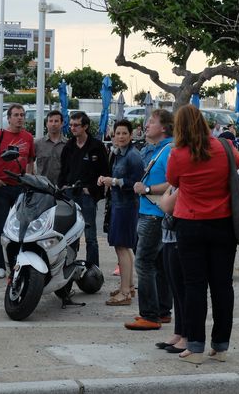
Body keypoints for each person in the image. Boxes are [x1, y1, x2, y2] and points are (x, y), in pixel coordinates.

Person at [166, 104, 239, 364]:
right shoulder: (224, 147)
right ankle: (220, 347)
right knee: (223, 286)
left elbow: (173, 180)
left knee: (194, 286)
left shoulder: (178, 154)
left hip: (190, 225)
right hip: (223, 224)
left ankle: (195, 348)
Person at [124, 109, 173, 331]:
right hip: (151, 212)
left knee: (144, 262)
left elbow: (174, 182)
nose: (146, 125)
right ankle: (162, 311)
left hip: (155, 214)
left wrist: (147, 188)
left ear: (163, 127)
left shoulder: (169, 150)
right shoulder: (158, 149)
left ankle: (150, 315)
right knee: (159, 264)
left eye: (151, 122)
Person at [0, 103, 35, 278]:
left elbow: (30, 161)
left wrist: (29, 180)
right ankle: (0, 265)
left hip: (21, 188)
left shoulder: (28, 137)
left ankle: (18, 263)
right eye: (16, 115)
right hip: (2, 189)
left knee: (22, 227)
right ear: (9, 118)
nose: (20, 118)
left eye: (22, 115)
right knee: (1, 227)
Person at [98, 120, 143, 306]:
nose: (121, 136)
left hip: (127, 206)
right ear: (113, 136)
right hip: (118, 205)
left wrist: (114, 181)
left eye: (125, 133)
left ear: (131, 135)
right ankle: (128, 286)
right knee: (122, 247)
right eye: (118, 133)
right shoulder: (118, 154)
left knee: (122, 247)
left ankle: (125, 292)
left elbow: (137, 183)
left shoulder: (133, 156)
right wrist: (107, 180)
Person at [58, 111, 109, 268]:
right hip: (70, 195)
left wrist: (92, 191)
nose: (73, 128)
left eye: (76, 125)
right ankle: (68, 267)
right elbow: (63, 171)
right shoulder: (68, 146)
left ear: (85, 126)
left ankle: (93, 270)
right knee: (69, 235)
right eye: (71, 125)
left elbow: (105, 172)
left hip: (87, 196)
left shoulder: (97, 146)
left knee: (91, 237)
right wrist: (63, 187)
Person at [155, 186, 187, 354]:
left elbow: (166, 205)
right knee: (175, 289)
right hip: (168, 236)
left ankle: (186, 336)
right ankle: (179, 332)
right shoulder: (175, 183)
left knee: (182, 290)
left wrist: (165, 196)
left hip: (179, 237)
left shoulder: (183, 182)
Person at [34, 110, 67, 185]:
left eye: (56, 121)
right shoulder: (37, 144)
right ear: (46, 124)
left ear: (62, 124)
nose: (53, 124)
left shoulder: (68, 145)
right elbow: (29, 163)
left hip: (61, 188)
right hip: (42, 187)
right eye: (50, 121)